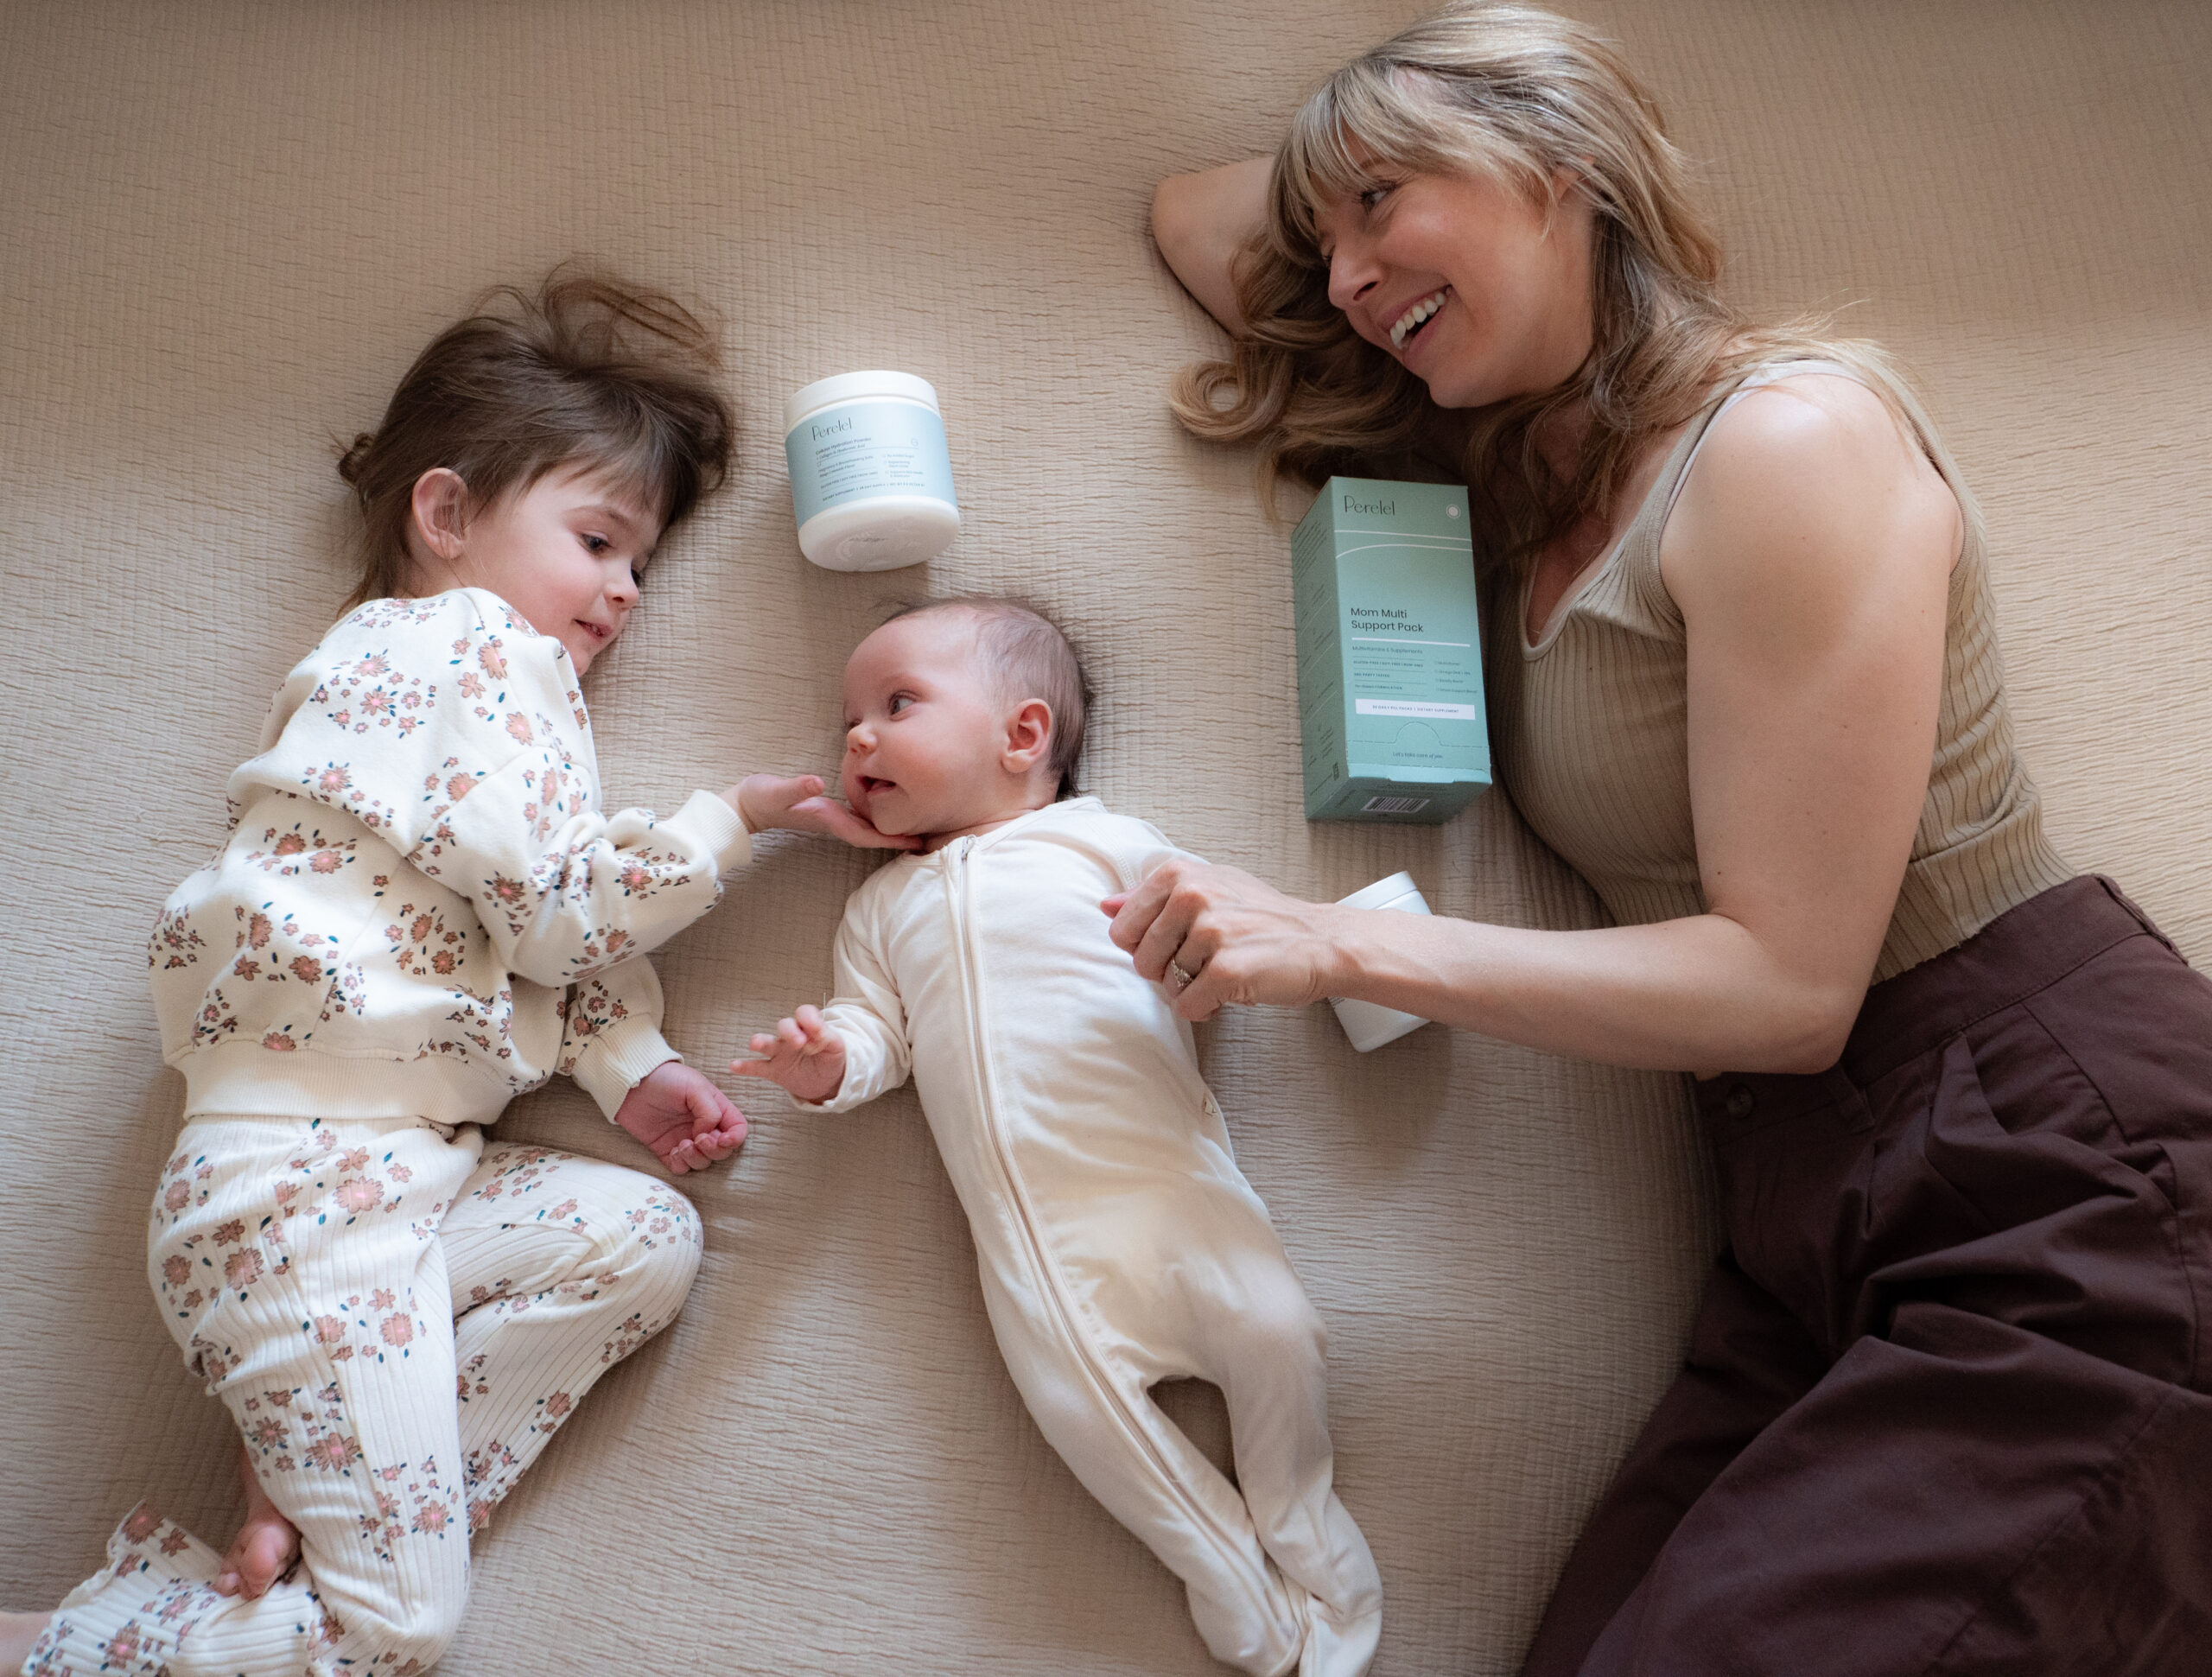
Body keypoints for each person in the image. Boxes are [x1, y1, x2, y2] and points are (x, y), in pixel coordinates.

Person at [1135, 5, 2212, 1674]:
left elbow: (1793, 987)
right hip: (1808, 1209)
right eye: (1326, 233)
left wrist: (1334, 940)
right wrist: (1374, 199)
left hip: (2062, 1169)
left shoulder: (1788, 441)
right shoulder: (1518, 482)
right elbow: (1194, 216)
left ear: (1563, 168)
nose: (1342, 279)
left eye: (1384, 203)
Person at [2, 270, 913, 1677]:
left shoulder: (421, 678)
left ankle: (330, 1513)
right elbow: (555, 913)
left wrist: (630, 1068)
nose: (620, 591)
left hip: (390, 1182)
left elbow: (506, 923)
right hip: (298, 1191)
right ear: (446, 516)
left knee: (642, 1239)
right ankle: (63, 1649)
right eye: (600, 539)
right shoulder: (476, 649)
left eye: (641, 566)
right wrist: (728, 822)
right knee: (405, 1633)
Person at [734, 599, 1384, 1677]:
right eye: (848, 718)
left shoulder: (1105, 840)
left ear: (1023, 736)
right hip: (1037, 1247)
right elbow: (876, 1035)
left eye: (896, 705)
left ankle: (1307, 1533)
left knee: (1278, 1334)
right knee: (1087, 1423)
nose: (855, 738)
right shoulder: (879, 908)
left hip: (1171, 1188)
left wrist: (1234, 962)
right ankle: (1229, 1577)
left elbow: (1220, 927)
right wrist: (828, 1063)